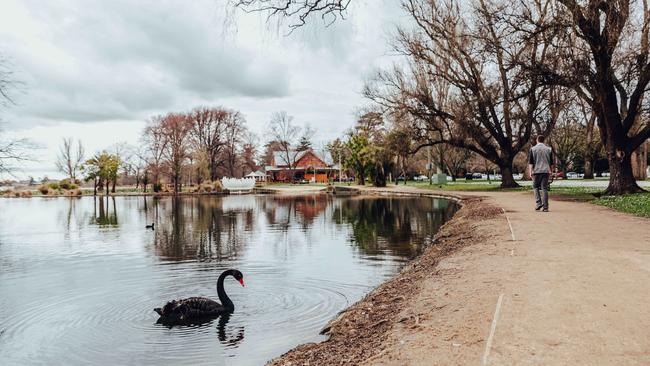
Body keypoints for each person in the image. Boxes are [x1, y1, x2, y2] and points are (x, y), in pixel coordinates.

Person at [528, 135, 554, 212]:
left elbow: (531, 163)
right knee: (544, 188)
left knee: (535, 187)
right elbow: (551, 163)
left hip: (537, 171)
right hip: (546, 171)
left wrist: (530, 172)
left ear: (537, 140)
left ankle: (538, 203)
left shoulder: (533, 149)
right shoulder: (549, 149)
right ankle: (545, 207)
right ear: (543, 140)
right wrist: (551, 172)